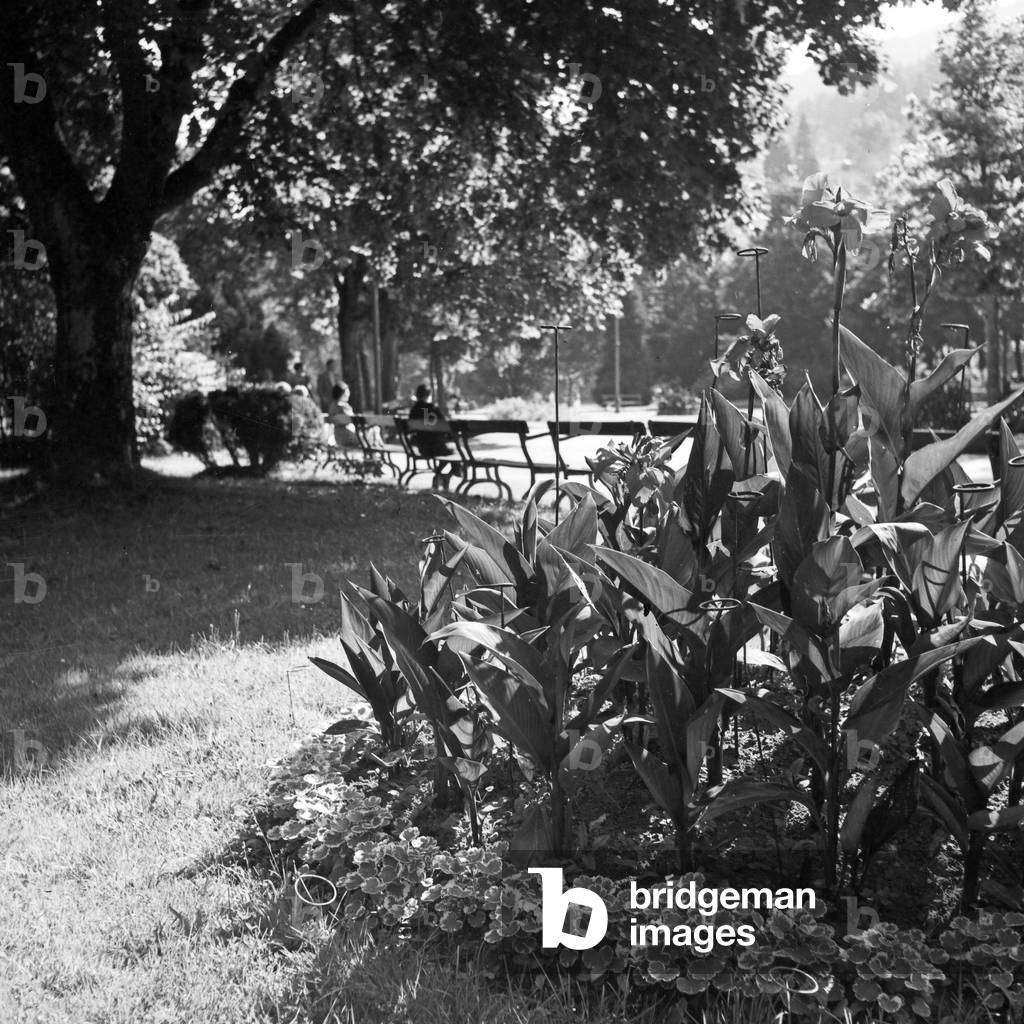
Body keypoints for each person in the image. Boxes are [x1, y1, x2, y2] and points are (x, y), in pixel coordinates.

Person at [408, 383, 460, 489]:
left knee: (449, 452)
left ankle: (440, 476)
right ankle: (443, 476)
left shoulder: (413, 410)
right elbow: (445, 426)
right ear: (429, 395)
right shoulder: (432, 409)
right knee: (456, 454)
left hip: (423, 448)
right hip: (437, 447)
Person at [327, 383, 361, 449]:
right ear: (342, 393)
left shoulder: (332, 406)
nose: (349, 393)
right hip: (350, 437)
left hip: (338, 437)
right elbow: (355, 420)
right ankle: (375, 454)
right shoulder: (344, 407)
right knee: (374, 429)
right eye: (348, 391)